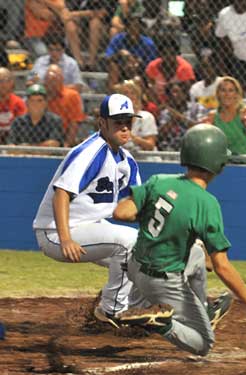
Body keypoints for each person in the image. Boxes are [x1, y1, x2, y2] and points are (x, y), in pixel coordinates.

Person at [111, 124, 246, 356]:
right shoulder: (207, 203)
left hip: (135, 267)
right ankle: (163, 323)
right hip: (161, 282)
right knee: (203, 343)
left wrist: (150, 214)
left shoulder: (159, 180)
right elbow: (221, 266)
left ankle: (202, 310)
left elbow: (120, 213)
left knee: (197, 253)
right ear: (217, 163)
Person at [33, 93, 142, 323]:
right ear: (102, 123)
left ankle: (139, 308)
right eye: (118, 122)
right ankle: (111, 311)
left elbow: (136, 205)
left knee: (145, 253)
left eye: (128, 122)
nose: (124, 128)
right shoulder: (92, 151)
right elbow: (61, 193)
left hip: (90, 228)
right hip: (56, 231)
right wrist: (65, 239)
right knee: (130, 243)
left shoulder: (127, 161)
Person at [203, 76, 246, 157]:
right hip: (223, 162)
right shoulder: (212, 116)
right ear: (218, 94)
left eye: (231, 90)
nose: (227, 94)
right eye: (223, 90)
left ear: (236, 94)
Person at [106, 14, 158, 89]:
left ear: (140, 28)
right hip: (121, 70)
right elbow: (108, 58)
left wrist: (138, 62)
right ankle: (113, 95)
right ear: (126, 28)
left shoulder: (148, 43)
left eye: (136, 26)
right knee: (113, 66)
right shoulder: (118, 39)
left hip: (140, 71)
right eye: (130, 26)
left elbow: (152, 64)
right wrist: (120, 53)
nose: (133, 29)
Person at [157, 81, 208, 151]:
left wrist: (180, 117)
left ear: (185, 94)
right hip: (169, 149)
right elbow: (160, 135)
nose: (175, 95)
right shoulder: (166, 112)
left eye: (178, 91)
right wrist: (172, 121)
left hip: (192, 148)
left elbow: (202, 129)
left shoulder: (197, 107)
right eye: (172, 92)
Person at [113, 79, 158, 158]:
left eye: (133, 93)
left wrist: (132, 137)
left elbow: (150, 145)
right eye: (126, 93)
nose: (130, 96)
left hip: (146, 160)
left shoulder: (146, 117)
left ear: (137, 97)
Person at [44, 64, 86, 146]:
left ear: (62, 80)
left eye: (54, 80)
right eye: (49, 80)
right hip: (41, 134)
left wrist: (66, 145)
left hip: (63, 135)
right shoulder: (40, 96)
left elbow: (74, 123)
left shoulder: (72, 96)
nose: (51, 83)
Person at [145, 36, 195, 104]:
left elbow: (189, 91)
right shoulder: (153, 66)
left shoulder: (184, 68)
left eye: (171, 53)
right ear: (160, 54)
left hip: (178, 103)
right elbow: (149, 88)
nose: (168, 56)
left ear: (176, 54)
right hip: (157, 101)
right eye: (165, 53)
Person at [0, 68, 27, 144]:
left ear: (11, 82)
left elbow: (22, 128)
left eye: (5, 80)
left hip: (14, 141)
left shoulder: (18, 103)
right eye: (0, 81)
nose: (2, 84)